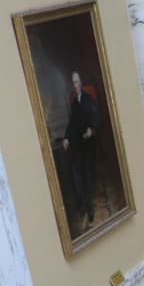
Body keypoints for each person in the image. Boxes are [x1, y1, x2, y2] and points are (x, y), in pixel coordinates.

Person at [62, 71, 99, 230]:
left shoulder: (88, 99)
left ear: (81, 83)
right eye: (73, 83)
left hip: (87, 144)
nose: (75, 85)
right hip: (77, 144)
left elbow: (97, 118)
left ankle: (90, 208)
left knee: (86, 177)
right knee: (76, 174)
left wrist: (92, 129)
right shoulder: (74, 103)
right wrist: (66, 138)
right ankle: (83, 205)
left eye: (77, 82)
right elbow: (71, 124)